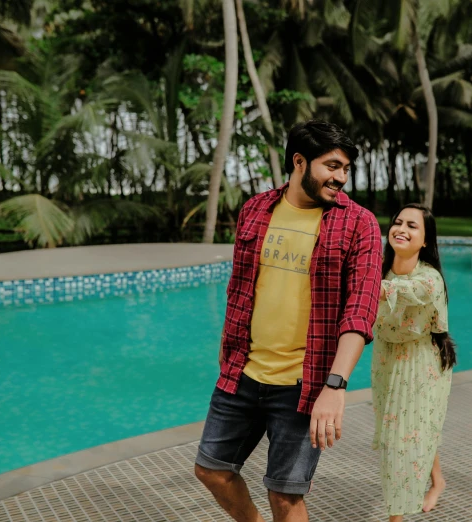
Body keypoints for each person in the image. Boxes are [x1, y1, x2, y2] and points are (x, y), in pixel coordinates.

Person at [194, 119, 383, 522]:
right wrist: (228, 356)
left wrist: (335, 386)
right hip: (242, 375)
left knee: (285, 496)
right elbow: (240, 291)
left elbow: (360, 310)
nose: (341, 177)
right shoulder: (256, 209)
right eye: (332, 166)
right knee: (210, 469)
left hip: (306, 383)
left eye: (346, 169)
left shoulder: (359, 224)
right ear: (300, 162)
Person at [371, 203, 457, 520]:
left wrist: (355, 282)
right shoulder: (379, 269)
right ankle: (438, 480)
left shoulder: (429, 279)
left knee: (402, 441)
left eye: (413, 226)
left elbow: (395, 291)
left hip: (420, 362)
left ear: (425, 241)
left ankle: (398, 516)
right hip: (386, 358)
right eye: (398, 222)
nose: (402, 229)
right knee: (413, 429)